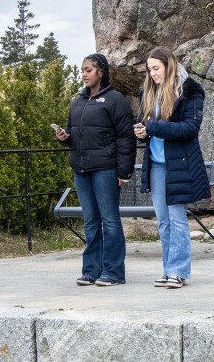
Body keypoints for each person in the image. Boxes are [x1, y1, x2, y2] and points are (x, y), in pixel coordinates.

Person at [134, 47, 210, 289]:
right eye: (149, 69)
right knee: (163, 221)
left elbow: (190, 129)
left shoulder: (190, 91)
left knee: (177, 218)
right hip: (155, 164)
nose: (152, 73)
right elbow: (148, 126)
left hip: (180, 164)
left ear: (169, 64)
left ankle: (179, 272)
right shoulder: (149, 91)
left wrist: (154, 128)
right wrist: (141, 132)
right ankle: (168, 270)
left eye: (156, 68)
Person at [56, 53, 135, 286]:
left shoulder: (115, 100)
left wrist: (124, 172)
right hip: (81, 170)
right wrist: (64, 137)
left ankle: (113, 272)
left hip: (106, 170)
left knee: (109, 220)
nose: (84, 74)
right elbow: (72, 133)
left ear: (100, 72)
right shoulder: (76, 101)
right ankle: (91, 270)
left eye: (88, 70)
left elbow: (126, 139)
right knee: (90, 221)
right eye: (82, 70)